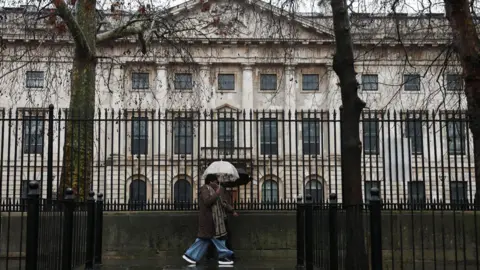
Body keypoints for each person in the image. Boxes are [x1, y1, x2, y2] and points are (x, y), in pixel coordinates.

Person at [182, 174, 235, 266]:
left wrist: (232, 210)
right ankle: (223, 256)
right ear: (210, 182)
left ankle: (191, 256)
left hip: (215, 221)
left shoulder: (216, 190)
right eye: (215, 182)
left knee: (204, 240)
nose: (217, 183)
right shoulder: (204, 189)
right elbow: (207, 202)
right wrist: (217, 194)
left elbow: (223, 203)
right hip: (208, 220)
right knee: (216, 238)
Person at [205, 183, 238, 260]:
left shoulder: (213, 189)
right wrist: (232, 210)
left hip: (218, 217)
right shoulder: (219, 189)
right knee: (224, 237)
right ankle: (227, 255)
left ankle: (211, 255)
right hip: (220, 218)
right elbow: (224, 203)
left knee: (215, 238)